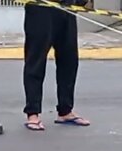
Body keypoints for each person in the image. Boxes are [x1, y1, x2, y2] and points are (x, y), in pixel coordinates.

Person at [23, 0, 91, 131]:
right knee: (36, 61)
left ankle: (65, 111)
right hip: (41, 7)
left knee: (69, 60)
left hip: (67, 7)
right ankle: (33, 113)